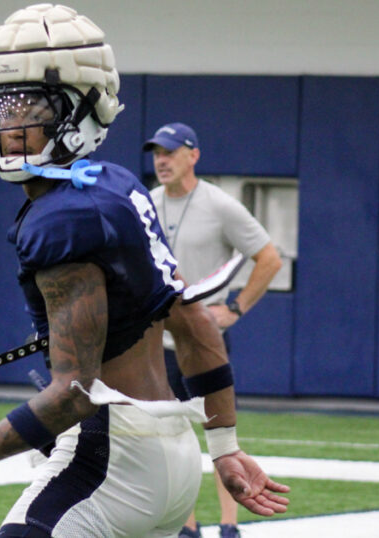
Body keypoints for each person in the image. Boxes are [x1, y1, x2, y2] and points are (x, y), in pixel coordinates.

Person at [0, 4, 289, 536]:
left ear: (85, 109)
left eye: (32, 109)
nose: (12, 129)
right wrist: (225, 447)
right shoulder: (119, 185)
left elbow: (76, 390)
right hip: (174, 455)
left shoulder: (61, 218)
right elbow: (192, 322)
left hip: (108, 454)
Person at [144, 123, 283, 538]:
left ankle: (229, 525)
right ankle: (186, 526)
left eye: (169, 152)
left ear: (194, 155)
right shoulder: (146, 204)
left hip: (203, 340)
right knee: (168, 437)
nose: (161, 161)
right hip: (157, 343)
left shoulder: (219, 205)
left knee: (219, 431)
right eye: (156, 153)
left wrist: (235, 309)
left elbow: (269, 258)